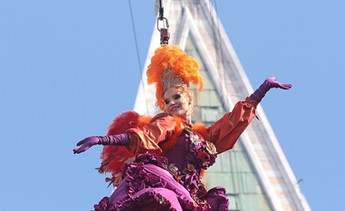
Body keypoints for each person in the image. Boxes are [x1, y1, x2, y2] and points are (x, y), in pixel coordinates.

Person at [73, 45, 292, 211]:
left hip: (190, 195)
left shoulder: (203, 137)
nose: (172, 104)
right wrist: (104, 140)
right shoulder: (169, 124)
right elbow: (147, 135)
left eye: (176, 97)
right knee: (163, 200)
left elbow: (232, 124)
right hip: (166, 184)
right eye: (167, 101)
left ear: (188, 97)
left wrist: (261, 91)